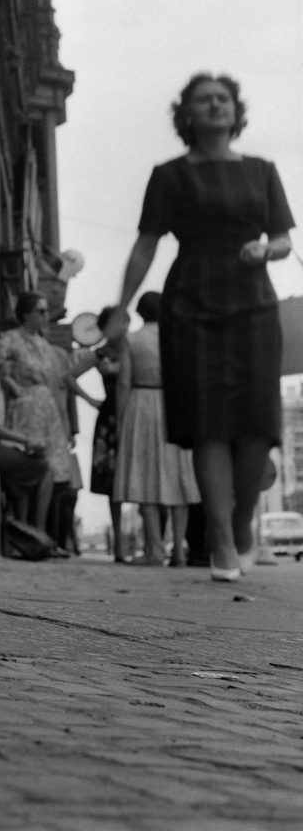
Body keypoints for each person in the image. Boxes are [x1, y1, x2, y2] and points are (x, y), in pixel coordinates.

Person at [118, 73, 294, 582]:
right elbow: (147, 243)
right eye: (204, 99)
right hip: (191, 300)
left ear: (235, 111)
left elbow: (283, 238)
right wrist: (120, 307)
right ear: (187, 115)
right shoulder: (169, 175)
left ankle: (241, 519)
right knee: (207, 422)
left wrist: (266, 249)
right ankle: (219, 535)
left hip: (253, 301)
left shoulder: (262, 171)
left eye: (224, 99)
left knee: (257, 420)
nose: (215, 105)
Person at [0, 291, 101, 547]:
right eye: (40, 311)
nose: (45, 316)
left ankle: (43, 535)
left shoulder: (47, 346)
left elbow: (62, 380)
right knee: (30, 466)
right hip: (26, 408)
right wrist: (14, 388)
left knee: (55, 471)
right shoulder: (11, 339)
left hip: (48, 411)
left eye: (45, 311)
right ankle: (23, 533)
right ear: (26, 314)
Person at [112, 291, 200, 567]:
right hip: (174, 404)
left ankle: (155, 549)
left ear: (139, 313)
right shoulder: (179, 337)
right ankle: (179, 551)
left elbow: (124, 382)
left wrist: (121, 418)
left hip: (141, 404)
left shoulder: (132, 339)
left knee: (146, 476)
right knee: (179, 477)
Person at [0, 336, 54, 531]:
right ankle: (38, 530)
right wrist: (27, 440)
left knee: (25, 467)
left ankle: (25, 530)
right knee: (44, 468)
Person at [87, 307, 127, 563]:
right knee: (113, 483)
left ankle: (149, 541)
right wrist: (92, 400)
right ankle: (120, 542)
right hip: (111, 414)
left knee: (141, 477)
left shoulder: (134, 346)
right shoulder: (99, 354)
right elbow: (68, 376)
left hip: (133, 413)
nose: (122, 327)